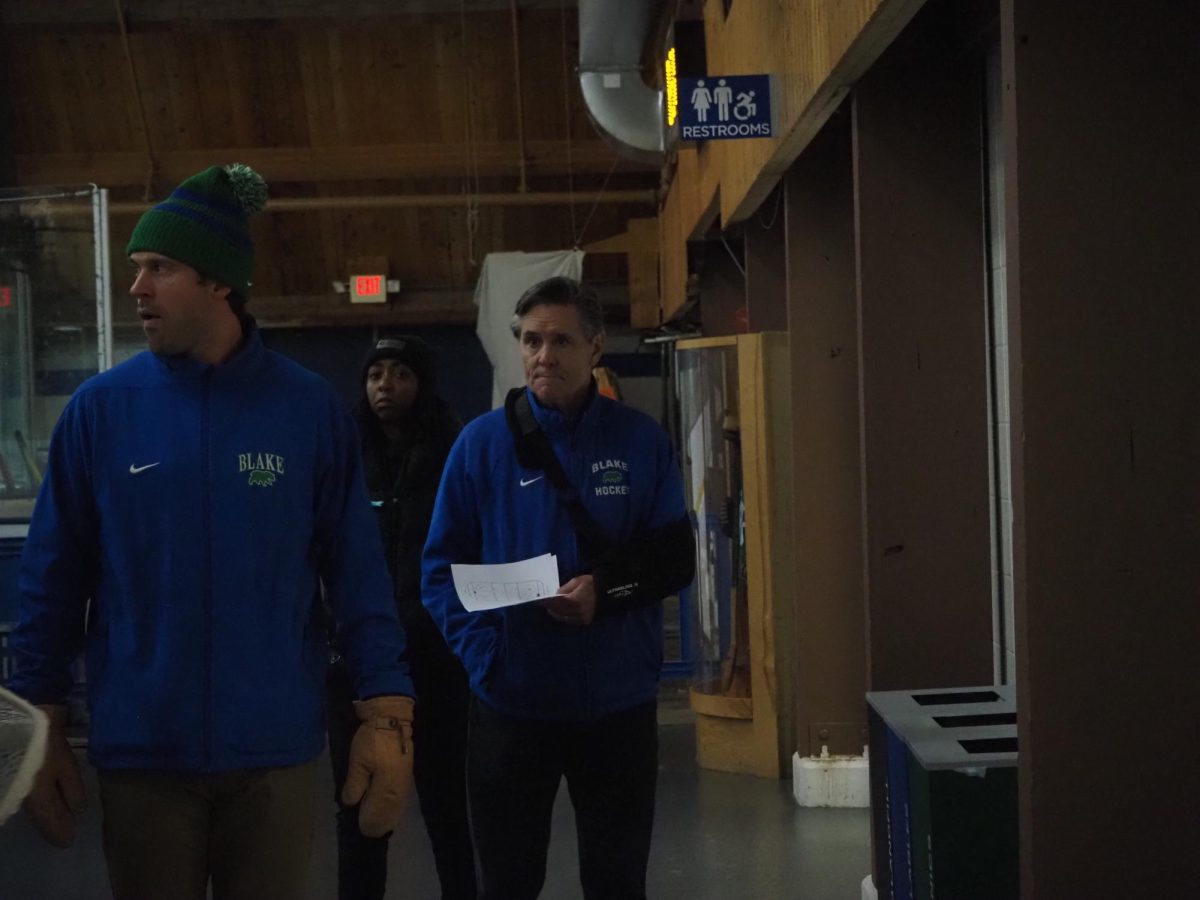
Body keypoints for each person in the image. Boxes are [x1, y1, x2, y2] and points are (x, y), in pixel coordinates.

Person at [6, 164, 416, 900]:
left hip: (273, 754)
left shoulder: (306, 410)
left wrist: (386, 709)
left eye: (158, 268)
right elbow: (52, 577)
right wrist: (38, 715)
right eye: (137, 269)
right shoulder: (101, 412)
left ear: (220, 282)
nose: (137, 289)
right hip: (143, 757)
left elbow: (357, 569)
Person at [422, 276, 695, 899]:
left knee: (617, 880)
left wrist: (606, 591)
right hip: (513, 705)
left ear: (595, 348)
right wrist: (485, 658)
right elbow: (440, 572)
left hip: (618, 704)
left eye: (561, 341)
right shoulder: (480, 447)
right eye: (531, 341)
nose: (544, 356)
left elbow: (674, 558)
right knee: (509, 882)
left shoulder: (639, 440)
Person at [327, 334, 476, 900]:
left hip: (438, 660)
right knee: (359, 805)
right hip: (358, 663)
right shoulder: (343, 451)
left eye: (401, 374)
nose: (385, 385)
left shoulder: (454, 449)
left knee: (448, 807)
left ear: (424, 383)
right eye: (375, 374)